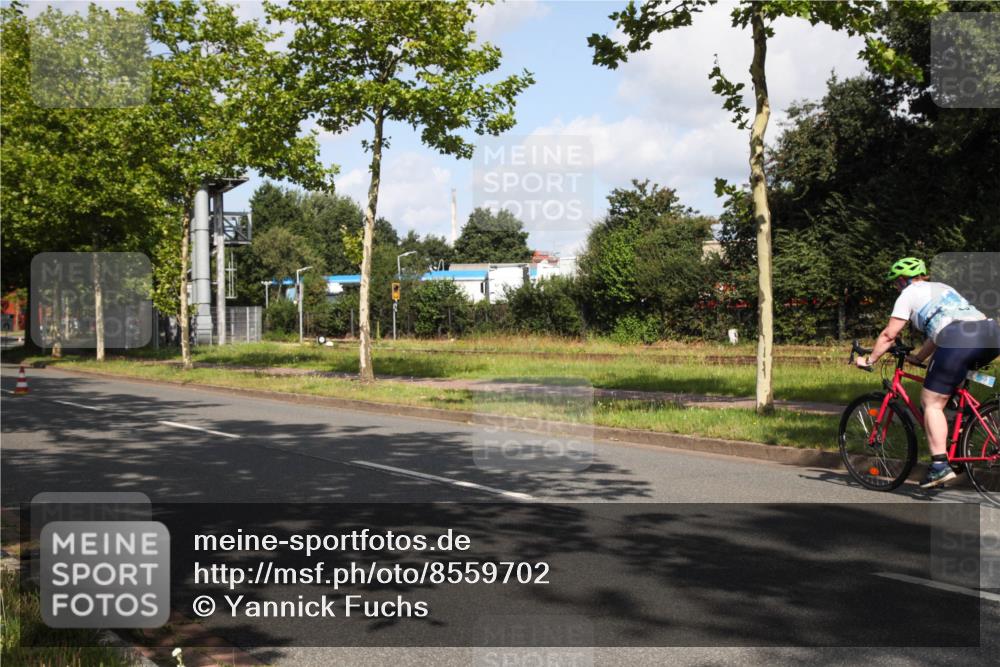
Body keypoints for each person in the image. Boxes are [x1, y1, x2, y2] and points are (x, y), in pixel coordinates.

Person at [856, 257, 1000, 489]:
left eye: (895, 283)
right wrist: (919, 358)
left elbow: (889, 335)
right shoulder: (943, 288)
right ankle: (961, 434)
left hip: (958, 338)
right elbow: (941, 330)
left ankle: (940, 466)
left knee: (931, 402)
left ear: (902, 280)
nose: (895, 287)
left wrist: (869, 359)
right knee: (951, 388)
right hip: (991, 334)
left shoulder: (907, 294)